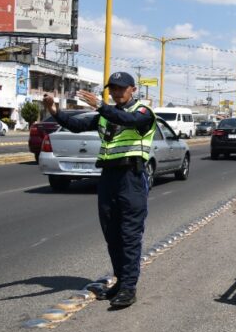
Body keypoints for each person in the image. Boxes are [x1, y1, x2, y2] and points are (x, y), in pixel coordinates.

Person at [42, 72, 155, 309]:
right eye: (112, 89)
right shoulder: (105, 114)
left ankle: (129, 288)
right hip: (109, 178)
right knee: (111, 233)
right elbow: (77, 125)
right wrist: (54, 110)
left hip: (131, 178)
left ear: (133, 90)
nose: (115, 93)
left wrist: (102, 106)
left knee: (129, 234)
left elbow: (129, 121)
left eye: (120, 89)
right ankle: (120, 280)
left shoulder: (143, 112)